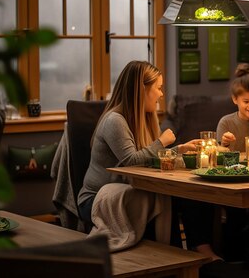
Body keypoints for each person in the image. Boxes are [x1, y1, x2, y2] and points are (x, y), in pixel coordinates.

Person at [76, 61, 222, 262]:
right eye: (159, 88)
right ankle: (169, 257)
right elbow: (131, 161)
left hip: (129, 188)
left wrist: (179, 149)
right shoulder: (114, 121)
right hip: (95, 200)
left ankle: (189, 253)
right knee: (163, 197)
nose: (162, 94)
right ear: (141, 89)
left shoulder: (143, 118)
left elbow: (148, 158)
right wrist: (162, 142)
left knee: (193, 191)